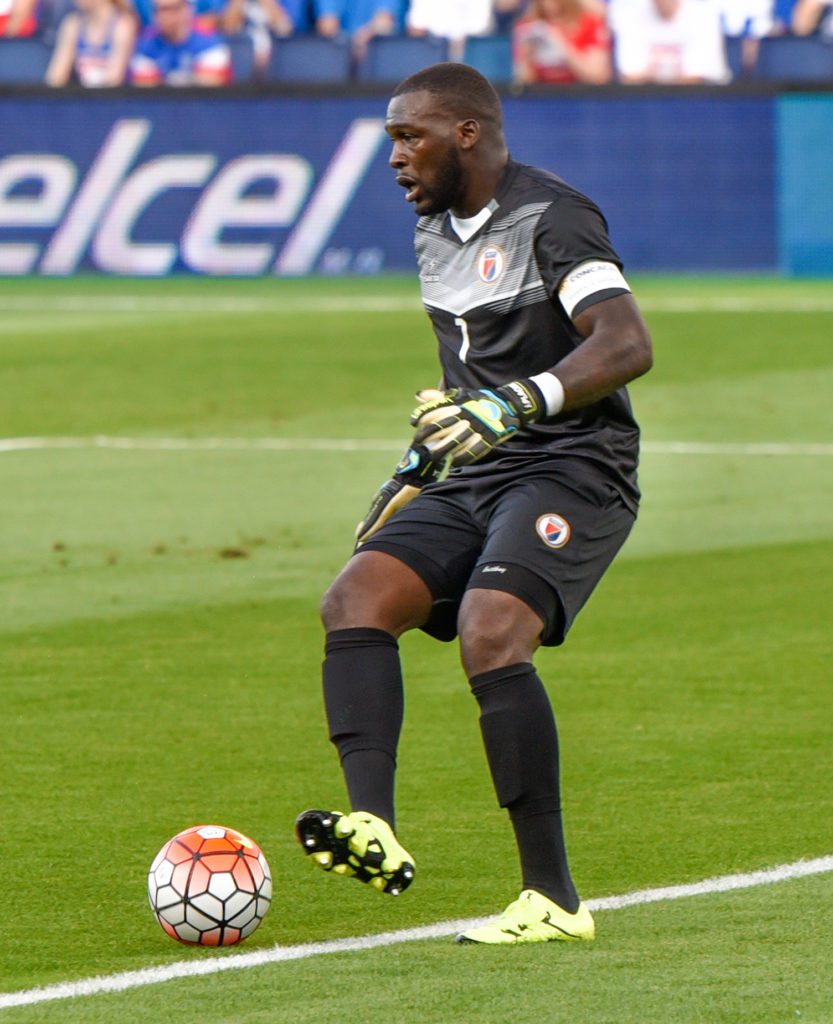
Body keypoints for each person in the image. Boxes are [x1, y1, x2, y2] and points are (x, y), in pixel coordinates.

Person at [294, 61, 653, 945]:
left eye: (408, 137)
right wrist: (421, 461)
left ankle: (553, 899)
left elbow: (625, 342)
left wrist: (516, 401)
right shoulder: (434, 233)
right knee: (356, 596)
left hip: (576, 462)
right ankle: (369, 822)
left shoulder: (552, 216)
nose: (395, 158)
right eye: (390, 140)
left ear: (466, 133)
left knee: (494, 627)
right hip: (485, 467)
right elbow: (472, 387)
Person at [608, 0, 730, 83]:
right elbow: (630, 77)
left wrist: (653, 76)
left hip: (705, 106)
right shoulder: (631, 14)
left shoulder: (704, 15)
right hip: (648, 105)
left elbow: (696, 78)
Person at [512, 0, 613, 85]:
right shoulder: (529, 26)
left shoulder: (589, 24)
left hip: (580, 98)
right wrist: (527, 58)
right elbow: (524, 81)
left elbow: (599, 76)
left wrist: (561, 44)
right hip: (543, 100)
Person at [130, 0, 231, 84]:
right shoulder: (146, 46)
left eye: (174, 9)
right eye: (162, 10)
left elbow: (210, 87)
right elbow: (145, 91)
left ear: (187, 9)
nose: (168, 16)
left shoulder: (210, 43)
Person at [45, 0, 137, 86]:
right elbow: (55, 78)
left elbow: (114, 80)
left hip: (115, 99)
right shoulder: (73, 24)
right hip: (85, 98)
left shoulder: (123, 25)